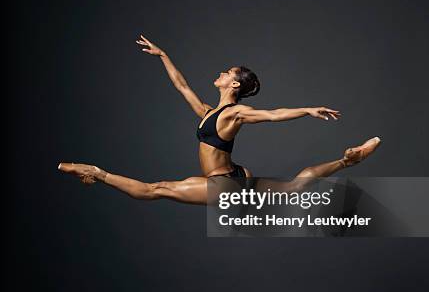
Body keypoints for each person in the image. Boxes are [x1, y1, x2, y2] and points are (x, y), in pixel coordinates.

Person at [58, 35, 381, 205]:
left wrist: (307, 109)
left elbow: (271, 114)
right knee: (294, 189)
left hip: (225, 185)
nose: (221, 73)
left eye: (227, 73)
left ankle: (95, 172)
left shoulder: (234, 113)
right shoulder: (209, 112)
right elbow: (181, 86)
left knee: (154, 190)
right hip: (232, 177)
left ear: (234, 84)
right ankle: (346, 161)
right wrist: (164, 56)